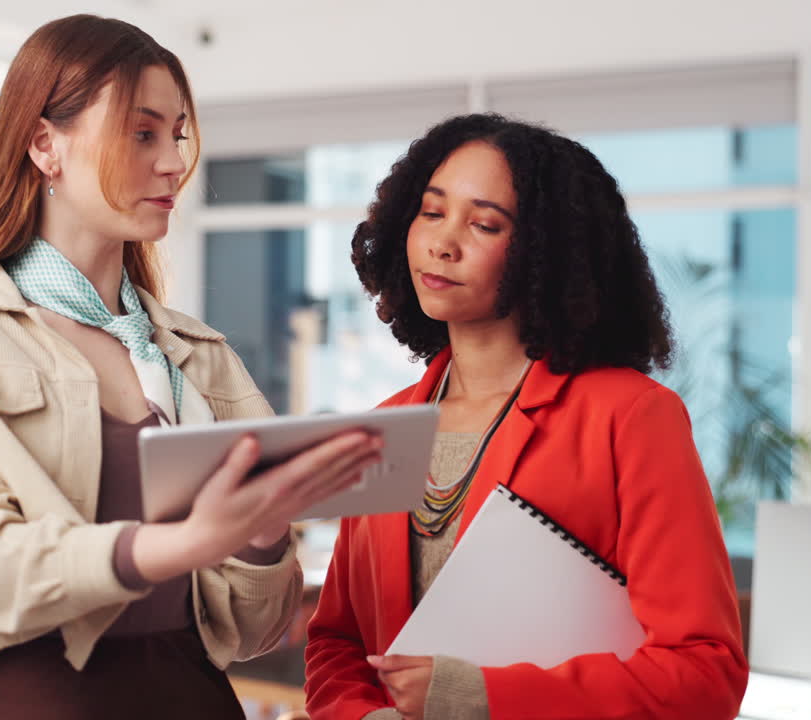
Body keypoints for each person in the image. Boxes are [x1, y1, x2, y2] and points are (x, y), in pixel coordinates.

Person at [0, 15, 382, 719]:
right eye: (142, 133)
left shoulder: (199, 358)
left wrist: (263, 531)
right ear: (45, 144)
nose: (172, 162)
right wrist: (177, 545)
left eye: (177, 135)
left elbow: (256, 632)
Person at [304, 113, 748, 720]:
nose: (443, 242)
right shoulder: (387, 424)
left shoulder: (631, 415)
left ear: (547, 255)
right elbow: (338, 641)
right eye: (431, 213)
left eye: (484, 224)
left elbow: (704, 672)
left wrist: (481, 698)